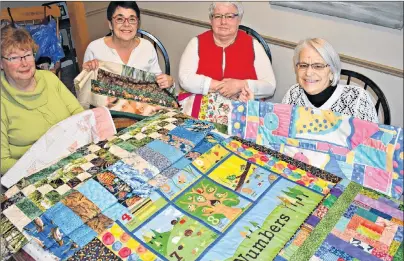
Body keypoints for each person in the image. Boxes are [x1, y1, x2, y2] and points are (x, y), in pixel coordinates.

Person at [1, 25, 84, 174]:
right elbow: (3, 162)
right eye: (14, 58)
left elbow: (78, 113)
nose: (24, 63)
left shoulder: (49, 78)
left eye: (27, 54)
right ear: (1, 63)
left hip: (71, 157)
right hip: (29, 174)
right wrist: (44, 166)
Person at [178, 2, 276, 115]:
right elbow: (185, 78)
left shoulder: (254, 46)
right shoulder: (196, 43)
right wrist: (221, 86)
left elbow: (270, 86)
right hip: (200, 114)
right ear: (211, 20)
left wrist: (240, 85)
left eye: (229, 16)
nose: (223, 22)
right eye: (218, 16)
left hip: (241, 115)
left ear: (239, 20)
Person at [82, 1, 173, 96]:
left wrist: (168, 82)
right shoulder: (94, 49)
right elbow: (85, 91)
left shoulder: (147, 47)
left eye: (132, 19)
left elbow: (157, 81)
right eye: (120, 19)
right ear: (110, 24)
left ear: (138, 23)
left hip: (142, 105)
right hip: (107, 108)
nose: (126, 24)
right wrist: (86, 74)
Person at [282, 38, 378, 123]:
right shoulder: (293, 94)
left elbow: (370, 141)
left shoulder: (357, 100)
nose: (308, 72)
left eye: (318, 66)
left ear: (332, 72)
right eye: (303, 65)